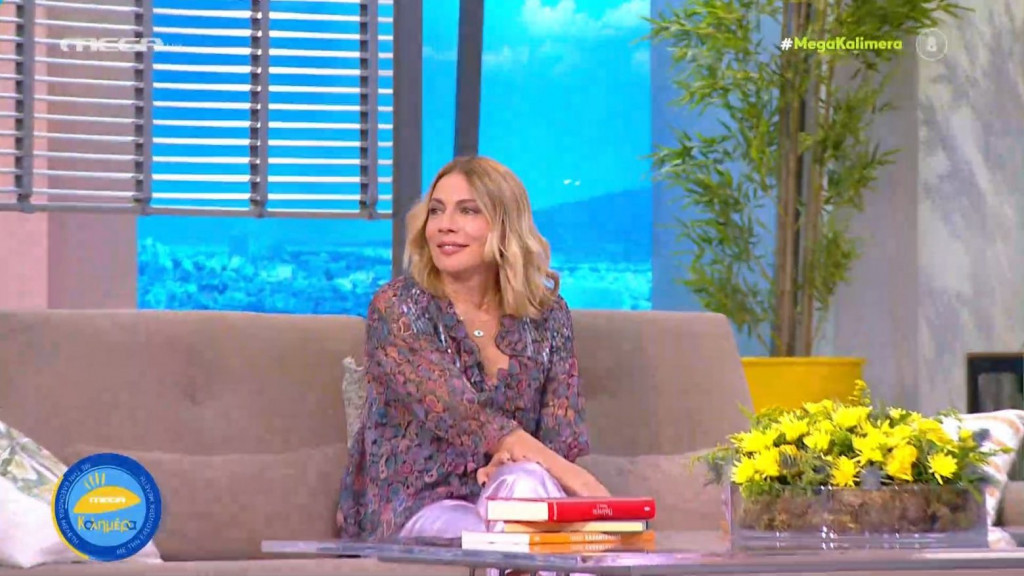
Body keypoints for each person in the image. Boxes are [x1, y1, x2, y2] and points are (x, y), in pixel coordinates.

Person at [336, 155, 610, 541]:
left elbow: (559, 433)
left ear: (504, 224)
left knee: (526, 483)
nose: (445, 225)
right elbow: (464, 416)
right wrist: (577, 479)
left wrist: (514, 464)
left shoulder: (547, 315)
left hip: (510, 490)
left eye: (467, 211)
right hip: (419, 505)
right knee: (495, 532)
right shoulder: (399, 307)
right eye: (436, 210)